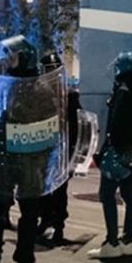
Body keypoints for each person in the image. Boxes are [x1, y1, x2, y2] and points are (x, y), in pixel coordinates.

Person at [0, 35, 59, 263]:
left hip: (17, 160)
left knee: (4, 212)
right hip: (22, 162)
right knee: (11, 213)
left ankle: (0, 262)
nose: (7, 60)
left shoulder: (24, 88)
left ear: (23, 58)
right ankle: (16, 262)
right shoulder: (20, 85)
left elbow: (30, 123)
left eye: (11, 56)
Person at [88, 52, 132, 260]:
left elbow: (115, 126)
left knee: (107, 195)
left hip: (117, 150)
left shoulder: (122, 91)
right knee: (130, 197)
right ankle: (128, 240)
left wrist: (105, 150)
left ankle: (111, 243)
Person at [37, 50, 80, 245]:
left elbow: (77, 124)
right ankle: (45, 219)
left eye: (55, 69)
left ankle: (59, 227)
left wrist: (74, 153)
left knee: (60, 191)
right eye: (49, 69)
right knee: (43, 189)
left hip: (62, 149)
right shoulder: (38, 95)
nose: (53, 73)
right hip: (43, 148)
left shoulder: (69, 96)